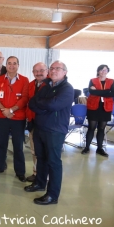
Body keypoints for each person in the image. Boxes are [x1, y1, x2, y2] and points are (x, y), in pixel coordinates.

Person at [25, 61, 74, 205]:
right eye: (52, 68)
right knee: (41, 158)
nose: (53, 71)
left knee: (53, 162)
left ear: (65, 72)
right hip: (40, 127)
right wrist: (45, 106)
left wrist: (44, 104)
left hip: (55, 130)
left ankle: (52, 195)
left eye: (57, 68)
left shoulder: (67, 88)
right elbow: (32, 103)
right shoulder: (46, 85)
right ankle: (40, 183)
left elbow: (55, 104)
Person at [0, 56, 29, 182]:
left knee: (18, 145)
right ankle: (0, 166)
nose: (12, 66)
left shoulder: (24, 80)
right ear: (6, 65)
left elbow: (24, 98)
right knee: (1, 143)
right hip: (2, 117)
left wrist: (11, 110)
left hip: (17, 118)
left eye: (14, 63)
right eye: (9, 63)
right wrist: (4, 110)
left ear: (18, 65)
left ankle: (20, 172)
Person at [82, 64, 114, 157]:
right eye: (101, 70)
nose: (103, 72)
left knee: (101, 129)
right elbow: (92, 92)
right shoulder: (92, 80)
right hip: (93, 107)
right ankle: (87, 147)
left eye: (105, 70)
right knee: (91, 128)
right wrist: (106, 91)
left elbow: (113, 93)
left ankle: (99, 149)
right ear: (98, 71)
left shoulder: (111, 81)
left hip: (106, 107)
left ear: (107, 71)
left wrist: (98, 91)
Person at [25, 62, 48, 182]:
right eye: (36, 71)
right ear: (33, 72)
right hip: (33, 122)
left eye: (41, 70)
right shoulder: (30, 85)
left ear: (47, 70)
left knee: (46, 151)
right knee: (34, 151)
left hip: (46, 124)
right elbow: (28, 103)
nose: (39, 73)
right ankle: (36, 173)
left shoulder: (51, 85)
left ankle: (45, 175)